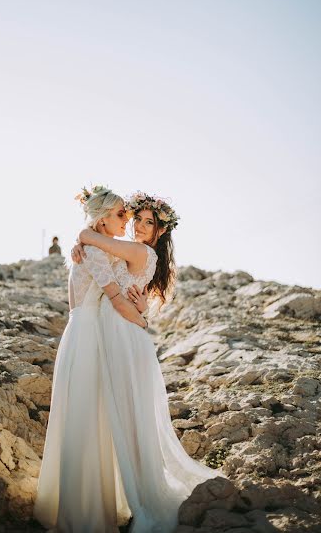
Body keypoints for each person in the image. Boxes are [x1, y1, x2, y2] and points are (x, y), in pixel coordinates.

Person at [71, 189, 228, 532]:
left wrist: (84, 237)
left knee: (128, 415)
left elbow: (89, 235)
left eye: (148, 222)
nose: (139, 226)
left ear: (160, 232)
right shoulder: (133, 251)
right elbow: (100, 254)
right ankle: (124, 491)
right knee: (124, 414)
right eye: (136, 218)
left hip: (124, 333)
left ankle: (141, 494)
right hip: (119, 332)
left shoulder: (139, 250)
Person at [33, 186, 148, 533]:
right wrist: (143, 322)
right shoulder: (93, 253)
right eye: (119, 214)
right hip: (85, 337)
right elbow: (113, 297)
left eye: (126, 214)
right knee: (85, 416)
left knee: (93, 416)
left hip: (88, 334)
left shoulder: (93, 248)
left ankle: (92, 502)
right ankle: (84, 513)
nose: (126, 220)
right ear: (101, 219)